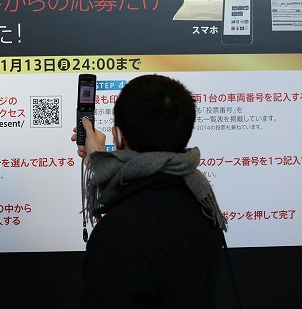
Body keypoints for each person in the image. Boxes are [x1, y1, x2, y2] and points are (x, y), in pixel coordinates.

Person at [71, 74, 227, 308]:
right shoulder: (203, 204)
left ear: (118, 137)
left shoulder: (117, 232)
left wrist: (100, 161)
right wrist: (98, 159)